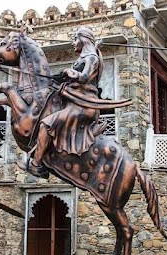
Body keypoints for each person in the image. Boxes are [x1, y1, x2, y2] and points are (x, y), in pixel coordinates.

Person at [27, 27, 105, 179]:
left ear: (83, 39)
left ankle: (36, 164)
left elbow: (84, 77)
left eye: (75, 39)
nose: (73, 43)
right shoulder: (82, 59)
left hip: (83, 106)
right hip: (73, 104)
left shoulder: (91, 58)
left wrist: (71, 72)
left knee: (46, 124)